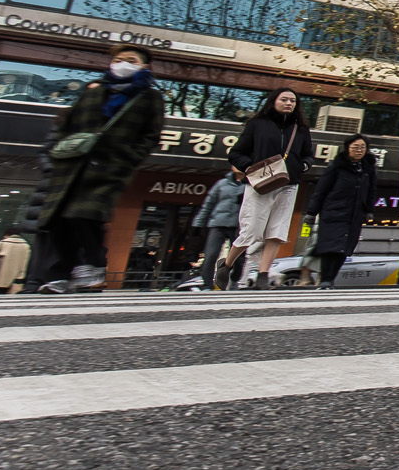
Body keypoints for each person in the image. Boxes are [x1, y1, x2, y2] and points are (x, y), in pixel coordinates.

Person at [24, 45, 165, 294]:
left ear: (144, 66)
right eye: (118, 59)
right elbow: (67, 124)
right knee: (62, 221)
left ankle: (93, 266)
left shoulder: (149, 97)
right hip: (72, 166)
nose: (122, 63)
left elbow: (151, 135)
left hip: (110, 166)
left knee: (85, 216)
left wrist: (129, 157)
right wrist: (58, 154)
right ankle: (59, 275)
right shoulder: (94, 90)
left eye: (130, 60)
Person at [221, 88, 312, 291]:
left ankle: (263, 275)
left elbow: (308, 154)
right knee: (251, 231)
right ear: (273, 101)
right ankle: (226, 265)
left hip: (289, 184)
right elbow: (236, 153)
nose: (289, 103)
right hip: (260, 185)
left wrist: (303, 166)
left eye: (293, 101)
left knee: (277, 231)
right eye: (284, 99)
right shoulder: (257, 124)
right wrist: (251, 168)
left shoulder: (301, 128)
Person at [305, 134, 375, 289]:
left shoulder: (368, 168)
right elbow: (321, 190)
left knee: (345, 248)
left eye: (362, 147)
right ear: (347, 148)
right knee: (330, 246)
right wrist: (311, 212)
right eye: (355, 147)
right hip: (333, 212)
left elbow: (371, 190)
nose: (359, 150)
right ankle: (325, 279)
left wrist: (369, 209)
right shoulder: (337, 166)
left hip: (355, 214)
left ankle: (331, 279)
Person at [193, 169, 245, 291]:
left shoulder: (250, 184)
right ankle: (207, 284)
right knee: (210, 255)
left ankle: (234, 280)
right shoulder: (221, 184)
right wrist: (198, 223)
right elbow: (208, 204)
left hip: (238, 226)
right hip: (217, 224)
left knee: (239, 258)